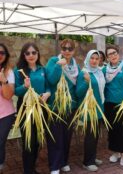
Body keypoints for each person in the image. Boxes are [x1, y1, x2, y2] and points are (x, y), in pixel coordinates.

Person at [14, 42, 51, 174]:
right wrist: (24, 86)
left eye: (33, 52)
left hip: (41, 108)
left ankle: (32, 168)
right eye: (27, 53)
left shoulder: (43, 69)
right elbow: (16, 92)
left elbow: (48, 86)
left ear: (37, 54)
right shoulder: (19, 70)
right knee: (28, 141)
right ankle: (28, 171)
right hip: (26, 109)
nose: (31, 55)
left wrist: (47, 93)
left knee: (37, 141)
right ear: (24, 55)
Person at [45, 39, 80, 174]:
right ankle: (54, 165)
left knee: (66, 136)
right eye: (64, 48)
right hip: (55, 107)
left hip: (70, 107)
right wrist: (58, 66)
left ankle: (64, 161)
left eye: (70, 49)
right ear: (61, 49)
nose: (67, 51)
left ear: (73, 51)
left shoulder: (75, 66)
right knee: (55, 137)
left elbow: (75, 86)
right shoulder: (54, 61)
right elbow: (51, 80)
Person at [103, 45, 123, 170]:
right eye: (109, 54)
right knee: (112, 130)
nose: (112, 55)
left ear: (118, 53)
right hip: (109, 104)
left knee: (122, 130)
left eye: (114, 53)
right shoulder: (104, 70)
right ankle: (115, 152)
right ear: (107, 57)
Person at [76, 50, 105, 172]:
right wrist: (87, 82)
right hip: (88, 110)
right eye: (92, 58)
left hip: (98, 108)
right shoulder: (83, 73)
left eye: (96, 59)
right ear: (88, 59)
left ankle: (92, 158)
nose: (94, 60)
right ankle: (87, 162)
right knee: (90, 136)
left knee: (95, 135)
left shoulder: (99, 72)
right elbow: (78, 93)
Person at [0, 43, 15, 172]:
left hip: (5, 114)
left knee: (0, 142)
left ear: (6, 56)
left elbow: (8, 95)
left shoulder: (9, 72)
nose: (0, 55)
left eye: (2, 53)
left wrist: (3, 81)